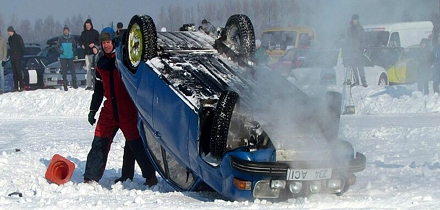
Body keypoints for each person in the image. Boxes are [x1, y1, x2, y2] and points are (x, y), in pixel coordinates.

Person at [83, 28, 157, 186]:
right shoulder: (101, 63)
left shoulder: (124, 60)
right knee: (99, 142)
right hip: (109, 110)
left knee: (135, 144)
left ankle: (150, 176)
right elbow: (98, 90)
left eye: (108, 42)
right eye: (103, 43)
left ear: (114, 42)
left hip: (127, 110)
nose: (106, 45)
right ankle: (90, 177)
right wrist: (92, 110)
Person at [346, 14, 367, 87]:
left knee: (360, 67)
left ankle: (363, 82)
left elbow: (363, 40)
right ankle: (356, 81)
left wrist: (362, 48)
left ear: (357, 20)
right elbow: (347, 40)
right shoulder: (350, 29)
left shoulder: (360, 29)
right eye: (353, 19)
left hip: (358, 50)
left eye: (355, 19)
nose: (354, 21)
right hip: (351, 50)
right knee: (353, 67)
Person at [79, 19, 100, 90]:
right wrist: (82, 45)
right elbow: (80, 41)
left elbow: (99, 41)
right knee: (88, 70)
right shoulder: (83, 33)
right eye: (86, 25)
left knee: (95, 69)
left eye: (88, 25)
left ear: (91, 25)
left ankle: (96, 84)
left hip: (94, 54)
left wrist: (94, 44)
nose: (87, 26)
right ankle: (88, 85)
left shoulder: (95, 32)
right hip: (86, 54)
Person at [56, 25, 77, 91]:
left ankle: (74, 83)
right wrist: (61, 52)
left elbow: (75, 46)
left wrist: (72, 51)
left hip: (70, 56)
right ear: (63, 31)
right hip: (63, 57)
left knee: (72, 70)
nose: (66, 31)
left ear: (68, 31)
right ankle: (65, 84)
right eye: (65, 30)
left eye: (67, 30)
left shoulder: (72, 38)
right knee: (64, 71)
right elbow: (57, 47)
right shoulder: (60, 38)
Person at [7, 26, 25, 92]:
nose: (8, 33)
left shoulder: (18, 37)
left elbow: (22, 47)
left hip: (18, 57)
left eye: (8, 31)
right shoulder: (9, 39)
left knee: (18, 72)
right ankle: (16, 87)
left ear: (11, 31)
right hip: (12, 57)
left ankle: (22, 86)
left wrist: (21, 55)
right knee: (14, 73)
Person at [0, 30, 7, 94]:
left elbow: (5, 50)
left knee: (1, 75)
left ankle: (2, 89)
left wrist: (4, 59)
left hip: (1, 59)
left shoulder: (3, 40)